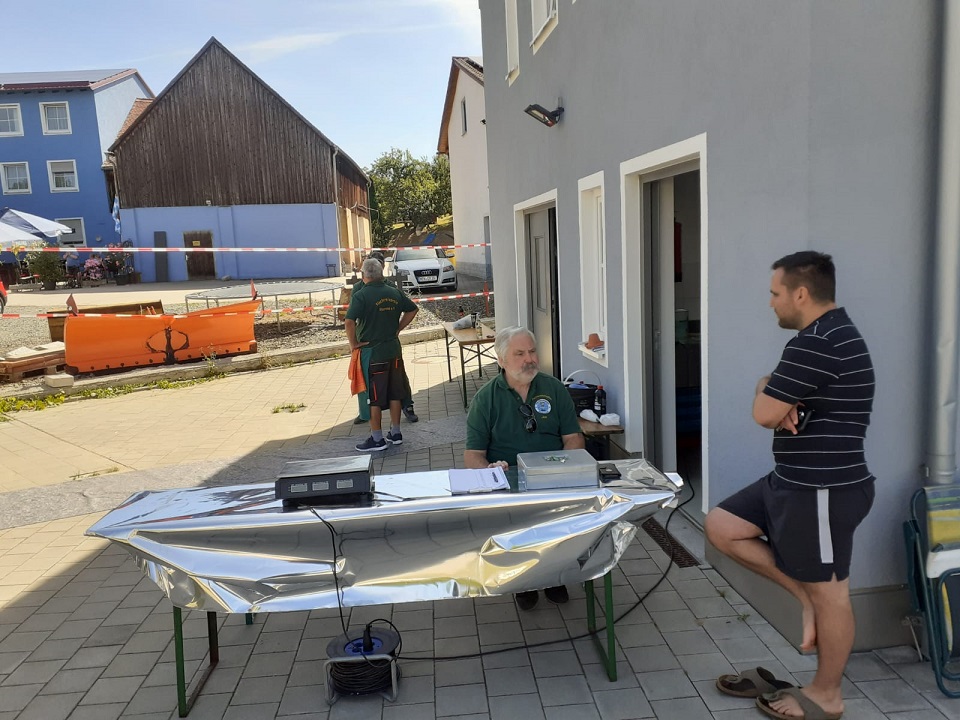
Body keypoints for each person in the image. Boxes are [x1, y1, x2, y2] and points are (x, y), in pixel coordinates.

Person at [704, 251, 874, 720]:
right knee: (722, 526)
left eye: (774, 293)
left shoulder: (818, 342)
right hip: (791, 482)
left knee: (832, 594)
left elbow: (764, 413)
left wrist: (768, 392)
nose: (771, 302)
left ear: (800, 294)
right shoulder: (822, 337)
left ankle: (826, 695)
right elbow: (772, 398)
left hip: (822, 491)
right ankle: (804, 597)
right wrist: (771, 388)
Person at [465, 326, 585, 610]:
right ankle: (524, 581)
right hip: (509, 484)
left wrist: (561, 469)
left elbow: (574, 439)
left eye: (532, 351)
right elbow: (472, 456)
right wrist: (492, 471)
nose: (529, 359)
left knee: (556, 527)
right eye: (519, 354)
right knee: (519, 531)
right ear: (501, 360)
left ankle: (553, 576)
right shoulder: (486, 398)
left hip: (551, 480)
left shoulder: (554, 388)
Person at [346, 258, 418, 452]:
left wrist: (354, 344)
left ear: (364, 275)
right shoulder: (393, 292)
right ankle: (396, 433)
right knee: (395, 393)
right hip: (393, 350)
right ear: (381, 273)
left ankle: (377, 438)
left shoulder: (361, 295)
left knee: (374, 397)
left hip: (373, 353)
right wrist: (398, 328)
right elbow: (412, 309)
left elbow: (349, 321)